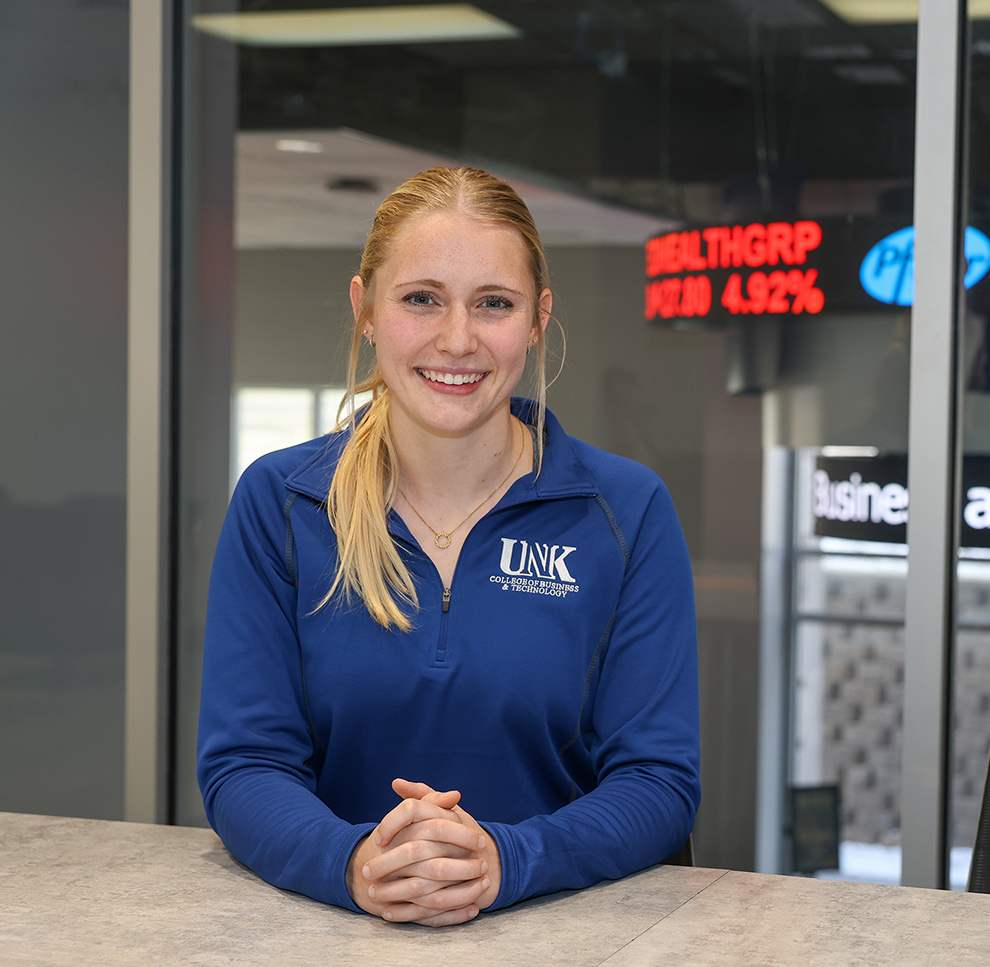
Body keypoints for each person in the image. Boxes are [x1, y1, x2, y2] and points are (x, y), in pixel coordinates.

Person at [197, 166, 701, 927]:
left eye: (493, 303)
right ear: (365, 308)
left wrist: (507, 860)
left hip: (563, 934)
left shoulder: (625, 510)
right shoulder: (282, 502)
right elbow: (244, 764)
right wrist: (355, 861)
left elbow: (658, 779)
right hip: (333, 934)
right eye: (421, 298)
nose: (457, 338)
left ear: (538, 320)